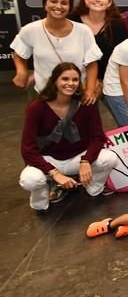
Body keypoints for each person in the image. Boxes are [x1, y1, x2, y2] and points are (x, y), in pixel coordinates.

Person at [19, 63, 118, 212]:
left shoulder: (87, 104)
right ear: (55, 81)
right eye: (65, 79)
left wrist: (86, 160)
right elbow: (28, 149)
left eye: (75, 80)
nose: (70, 84)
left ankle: (93, 187)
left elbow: (98, 137)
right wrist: (54, 173)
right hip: (49, 159)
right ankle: (42, 197)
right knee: (30, 180)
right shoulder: (37, 107)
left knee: (110, 159)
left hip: (77, 158)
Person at [11, 0, 102, 102]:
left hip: (77, 94)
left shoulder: (83, 31)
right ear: (45, 4)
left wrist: (90, 90)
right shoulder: (30, 30)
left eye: (64, 3)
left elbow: (92, 63)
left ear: (69, 7)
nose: (58, 6)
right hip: (46, 95)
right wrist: (21, 71)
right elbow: (18, 53)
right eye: (53, 1)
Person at [71, 0, 128, 90]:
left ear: (109, 3)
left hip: (109, 81)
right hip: (76, 79)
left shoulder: (117, 25)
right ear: (85, 0)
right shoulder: (72, 22)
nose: (97, 0)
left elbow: (123, 57)